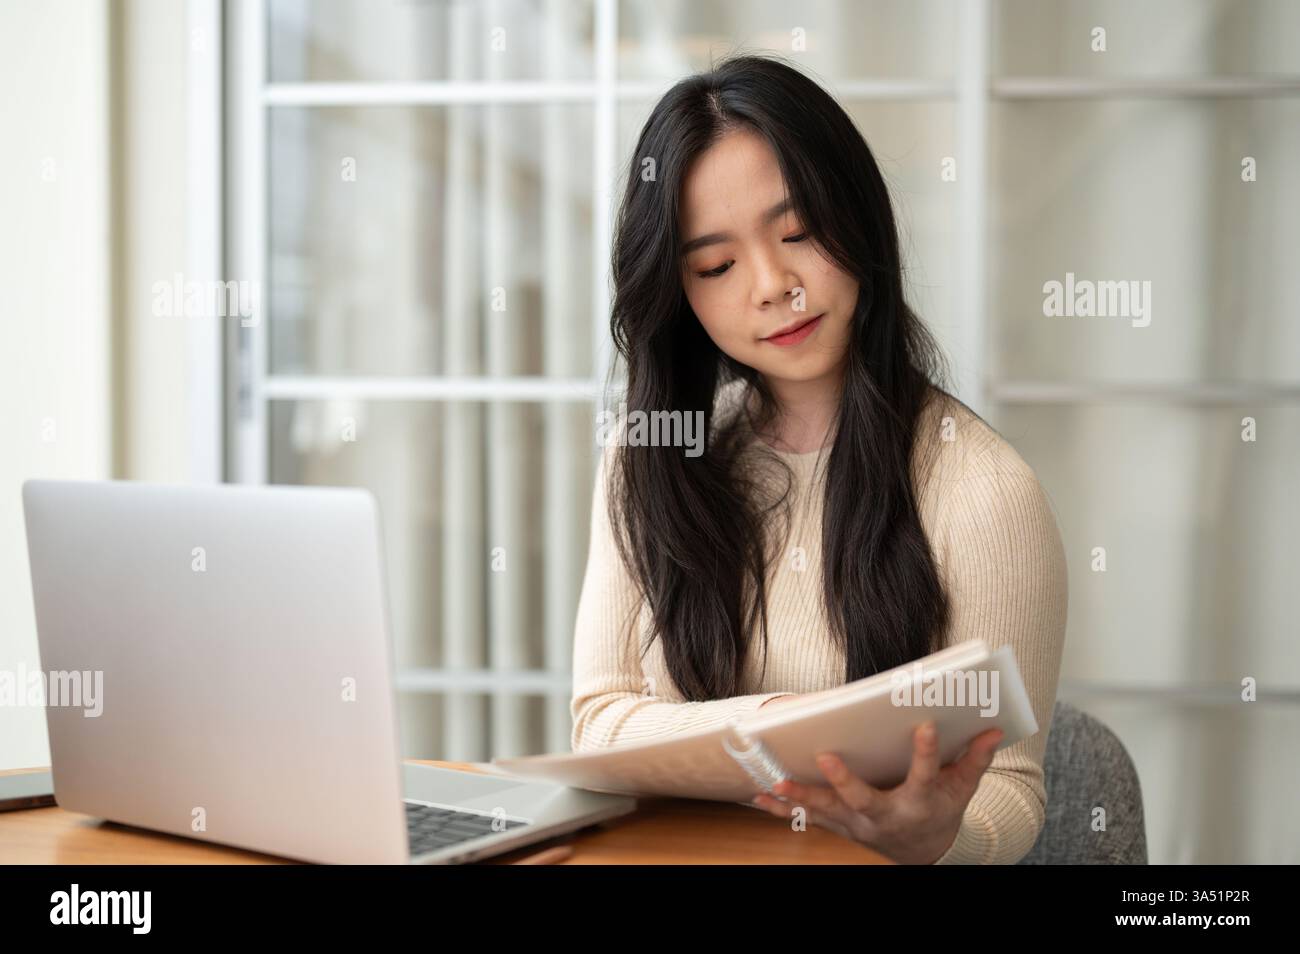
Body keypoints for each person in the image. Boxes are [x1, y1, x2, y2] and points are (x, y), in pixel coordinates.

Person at [570, 53, 1067, 865]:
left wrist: (940, 838)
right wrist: (785, 725)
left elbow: (1010, 787)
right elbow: (599, 724)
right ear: (679, 292)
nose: (773, 284)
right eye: (716, 265)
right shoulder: (648, 458)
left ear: (859, 221)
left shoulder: (984, 492)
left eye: (797, 232)